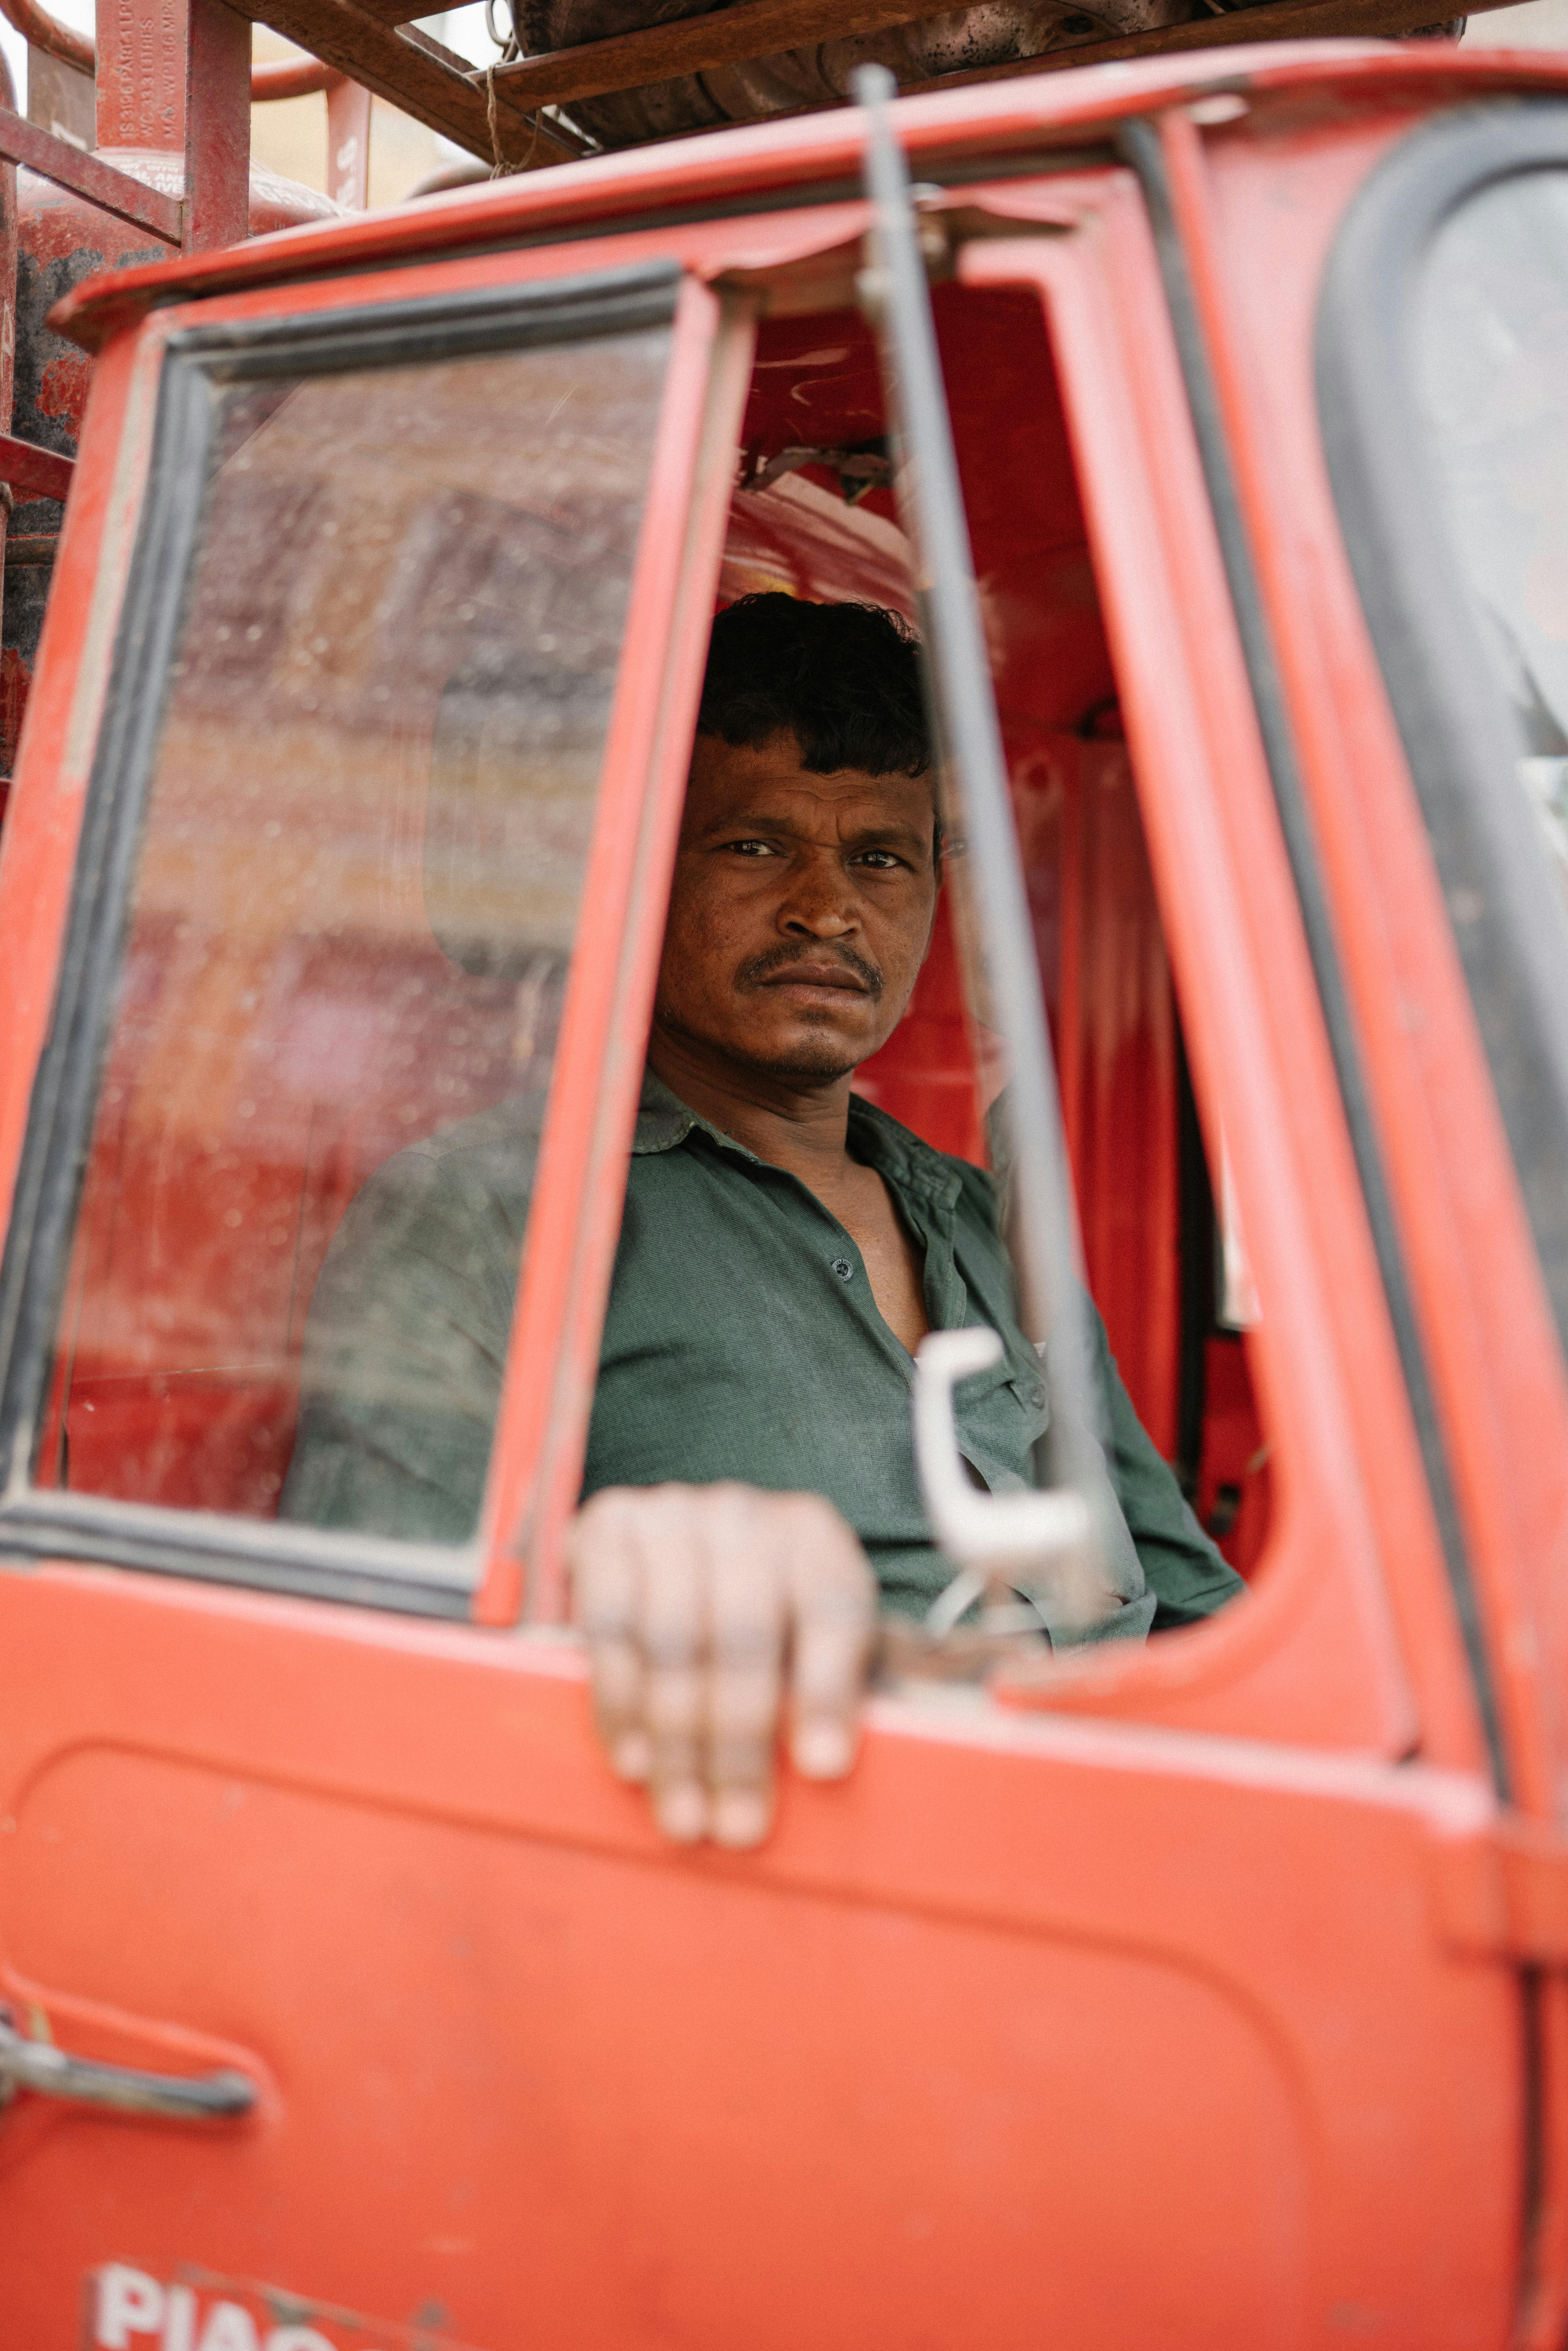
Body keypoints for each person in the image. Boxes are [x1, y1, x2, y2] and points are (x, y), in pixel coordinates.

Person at [282, 596, 1243, 1848]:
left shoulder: (985, 1224)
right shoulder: (488, 1214)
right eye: (754, 846)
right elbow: (373, 1695)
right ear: (639, 871)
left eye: (881, 858)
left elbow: (1188, 1609)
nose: (827, 910)